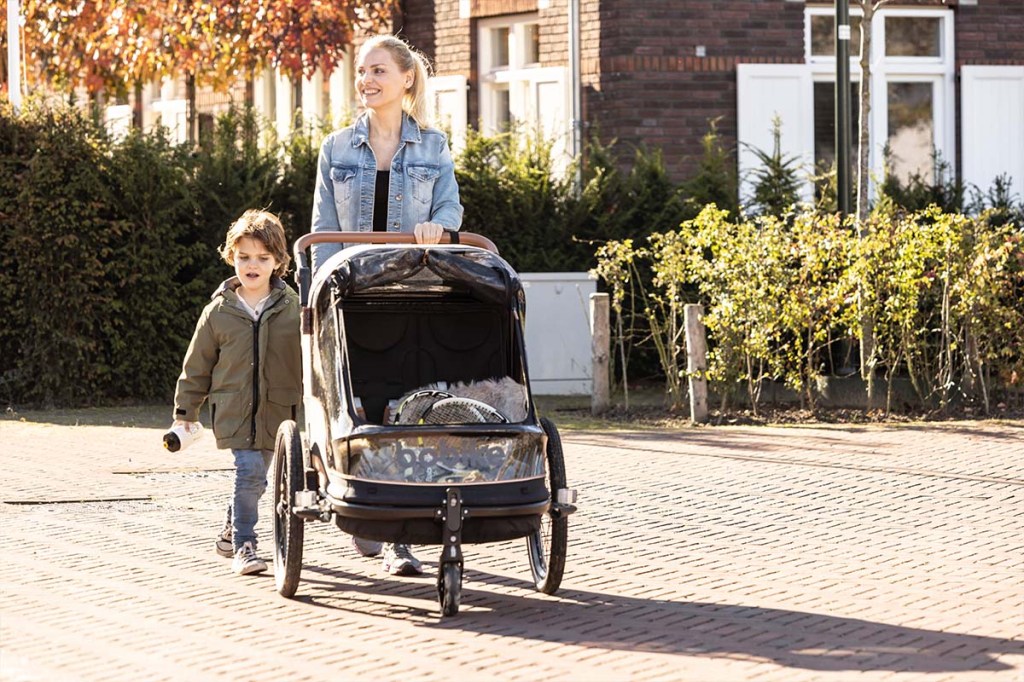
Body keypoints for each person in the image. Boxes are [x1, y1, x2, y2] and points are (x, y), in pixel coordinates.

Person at [310, 34, 464, 577]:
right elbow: (324, 231)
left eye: (378, 71)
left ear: (406, 80)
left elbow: (450, 206)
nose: (367, 80)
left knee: (408, 405)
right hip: (352, 293)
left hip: (411, 292)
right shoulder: (335, 149)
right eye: (361, 72)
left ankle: (400, 533)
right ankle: (362, 504)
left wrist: (439, 226)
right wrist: (321, 296)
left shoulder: (434, 147)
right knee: (360, 401)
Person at [171, 210, 301, 576]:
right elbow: (196, 366)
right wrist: (185, 414)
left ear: (278, 261)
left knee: (258, 479)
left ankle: (231, 528)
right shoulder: (218, 312)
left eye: (262, 257)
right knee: (249, 472)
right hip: (234, 410)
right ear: (232, 257)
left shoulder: (294, 309)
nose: (252, 265)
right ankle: (246, 544)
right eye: (244, 257)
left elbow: (313, 359)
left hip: (278, 413)